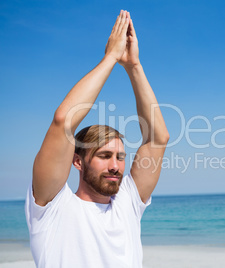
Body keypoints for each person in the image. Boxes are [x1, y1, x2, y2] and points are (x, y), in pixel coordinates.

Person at [25, 10, 169, 268]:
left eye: (120, 157)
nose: (115, 166)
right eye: (104, 156)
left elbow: (158, 139)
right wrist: (111, 58)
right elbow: (63, 121)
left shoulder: (128, 204)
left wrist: (134, 66)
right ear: (77, 161)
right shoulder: (51, 207)